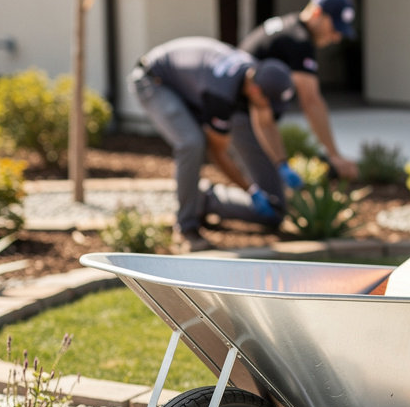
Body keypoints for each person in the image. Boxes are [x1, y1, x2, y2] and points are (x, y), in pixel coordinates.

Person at [128, 37, 299, 252]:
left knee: (240, 126)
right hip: (154, 79)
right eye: (270, 104)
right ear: (256, 91)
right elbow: (217, 154)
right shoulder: (222, 93)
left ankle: (204, 199)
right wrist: (251, 191)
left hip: (194, 83)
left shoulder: (255, 74)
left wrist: (282, 163)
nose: (272, 111)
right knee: (192, 143)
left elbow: (265, 123)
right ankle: (186, 228)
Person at [239, 0, 360, 180]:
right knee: (273, 194)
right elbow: (311, 101)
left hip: (246, 113)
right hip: (243, 117)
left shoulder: (289, 25)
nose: (336, 37)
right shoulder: (299, 41)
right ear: (317, 13)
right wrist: (334, 156)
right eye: (334, 28)